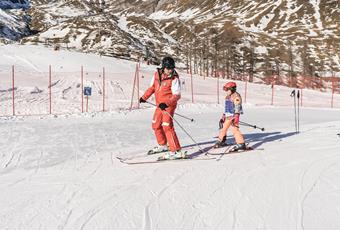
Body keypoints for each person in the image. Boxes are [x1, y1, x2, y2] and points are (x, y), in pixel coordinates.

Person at [139, 57, 186, 160]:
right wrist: (144, 97)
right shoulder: (156, 75)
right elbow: (152, 88)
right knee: (155, 124)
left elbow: (177, 95)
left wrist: (166, 103)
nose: (170, 70)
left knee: (167, 126)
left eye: (172, 68)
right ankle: (163, 145)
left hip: (169, 105)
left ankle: (176, 151)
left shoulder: (174, 78)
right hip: (159, 105)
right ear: (163, 67)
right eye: (168, 68)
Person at [214, 81, 246, 151]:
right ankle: (221, 141)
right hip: (228, 116)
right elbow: (227, 107)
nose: (226, 92)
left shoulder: (236, 96)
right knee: (223, 129)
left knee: (235, 130)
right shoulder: (228, 96)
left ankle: (241, 144)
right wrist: (223, 116)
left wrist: (236, 117)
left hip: (233, 116)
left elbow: (237, 107)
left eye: (227, 90)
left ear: (232, 89)